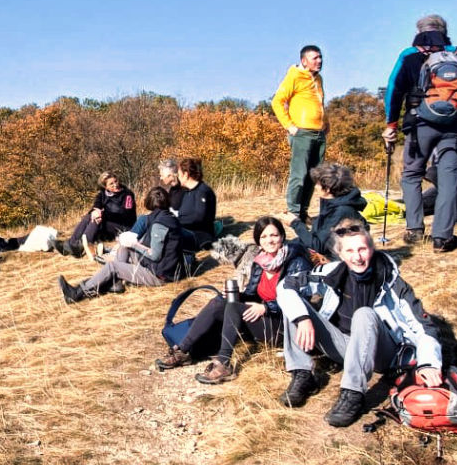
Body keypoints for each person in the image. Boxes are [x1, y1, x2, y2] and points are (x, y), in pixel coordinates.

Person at [277, 219, 443, 428]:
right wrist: (302, 318)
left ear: (371, 248)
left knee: (364, 314)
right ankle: (303, 375)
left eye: (362, 249)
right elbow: (286, 285)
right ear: (341, 254)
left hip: (381, 354)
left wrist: (428, 363)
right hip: (344, 346)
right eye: (350, 251)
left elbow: (425, 327)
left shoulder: (390, 279)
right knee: (294, 303)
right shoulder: (332, 274)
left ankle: (352, 394)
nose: (357, 257)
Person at [382, 15, 457, 253]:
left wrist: (391, 124)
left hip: (418, 123)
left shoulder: (409, 55)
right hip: (454, 126)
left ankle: (414, 229)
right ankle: (442, 238)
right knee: (449, 179)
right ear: (445, 31)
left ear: (419, 31)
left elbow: (394, 89)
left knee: (412, 174)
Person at [153, 217, 313, 384]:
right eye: (264, 237)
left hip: (285, 325)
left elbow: (302, 299)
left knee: (235, 309)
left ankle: (224, 364)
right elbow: (252, 293)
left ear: (282, 236)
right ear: (258, 241)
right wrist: (236, 295)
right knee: (219, 302)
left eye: (274, 235)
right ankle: (183, 350)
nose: (269, 240)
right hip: (263, 318)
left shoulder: (296, 262)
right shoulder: (261, 262)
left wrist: (266, 307)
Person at [58, 187, 185, 303]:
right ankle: (115, 282)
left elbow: (155, 255)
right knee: (124, 247)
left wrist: (135, 244)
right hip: (162, 267)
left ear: (150, 204)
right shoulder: (169, 218)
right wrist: (130, 244)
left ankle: (77, 294)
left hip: (159, 274)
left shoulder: (159, 224)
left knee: (113, 266)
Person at [273, 45, 328, 224]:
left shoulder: (318, 79)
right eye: (315, 58)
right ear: (304, 61)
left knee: (313, 174)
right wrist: (289, 126)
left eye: (320, 57)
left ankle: (303, 212)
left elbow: (319, 103)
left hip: (319, 133)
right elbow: (277, 101)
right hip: (302, 133)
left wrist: (326, 123)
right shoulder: (294, 76)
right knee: (299, 174)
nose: (319, 61)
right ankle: (293, 212)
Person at [54, 172, 136, 258]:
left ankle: (83, 247)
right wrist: (95, 211)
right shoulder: (103, 194)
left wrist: (102, 214)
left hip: (124, 225)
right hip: (108, 223)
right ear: (106, 187)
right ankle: (72, 244)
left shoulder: (127, 195)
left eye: (116, 181)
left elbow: (126, 214)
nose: (115, 185)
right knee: (89, 217)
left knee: (96, 220)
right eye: (111, 184)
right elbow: (97, 204)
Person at [301, 163, 366, 256]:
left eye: (318, 184)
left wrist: (295, 224)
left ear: (327, 189)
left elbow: (319, 246)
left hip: (340, 261)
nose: (315, 187)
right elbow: (323, 227)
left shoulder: (341, 211)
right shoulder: (332, 203)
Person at [175, 158, 218, 250]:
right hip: (186, 231)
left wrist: (175, 221)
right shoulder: (187, 192)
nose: (178, 177)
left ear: (186, 175)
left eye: (179, 175)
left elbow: (198, 217)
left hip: (200, 236)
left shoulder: (203, 191)